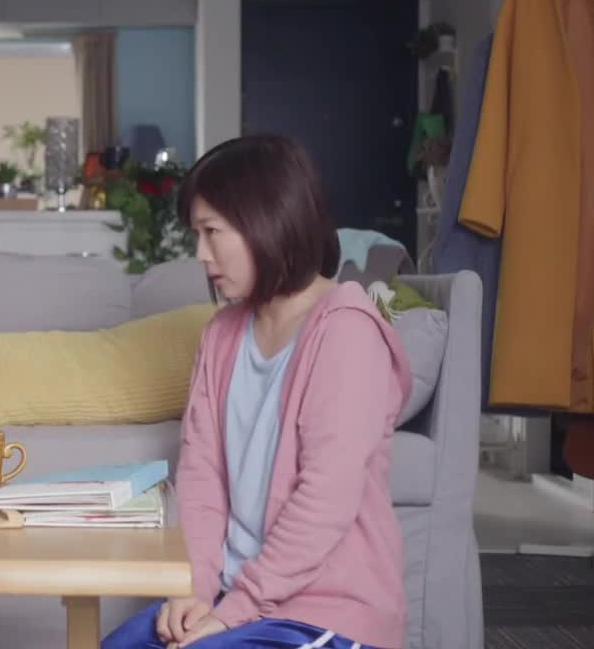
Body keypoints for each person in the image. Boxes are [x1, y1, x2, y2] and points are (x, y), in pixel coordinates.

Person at [102, 135, 412, 649]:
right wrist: (196, 592)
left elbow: (325, 500)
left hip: (327, 612)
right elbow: (202, 477)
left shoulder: (347, 331)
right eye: (196, 234)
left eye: (212, 232)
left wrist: (233, 613)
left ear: (267, 221)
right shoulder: (221, 334)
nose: (200, 254)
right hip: (232, 600)